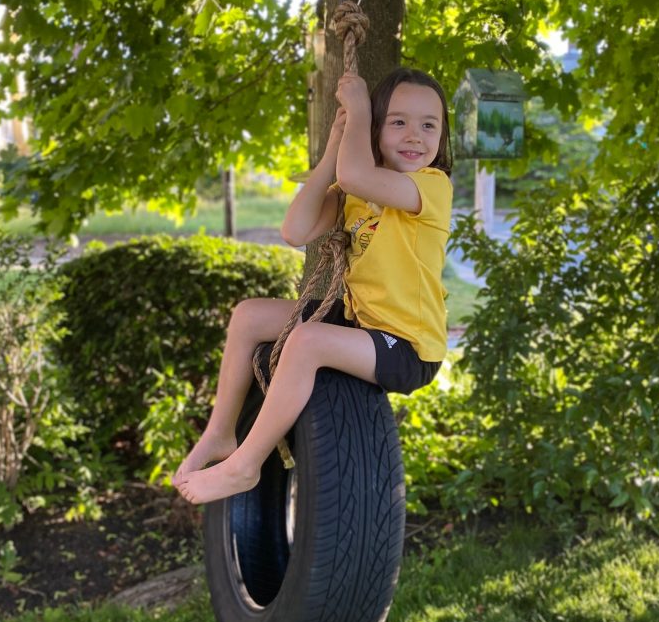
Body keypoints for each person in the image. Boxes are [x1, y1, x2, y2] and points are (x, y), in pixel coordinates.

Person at [173, 67, 453, 505]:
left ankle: (246, 465)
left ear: (442, 137)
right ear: (378, 130)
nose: (414, 135)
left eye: (428, 125)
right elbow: (295, 229)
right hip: (362, 323)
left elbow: (359, 174)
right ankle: (221, 433)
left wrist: (359, 111)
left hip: (407, 345)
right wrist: (330, 157)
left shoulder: (432, 187)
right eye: (398, 122)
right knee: (249, 316)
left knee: (306, 342)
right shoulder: (354, 190)